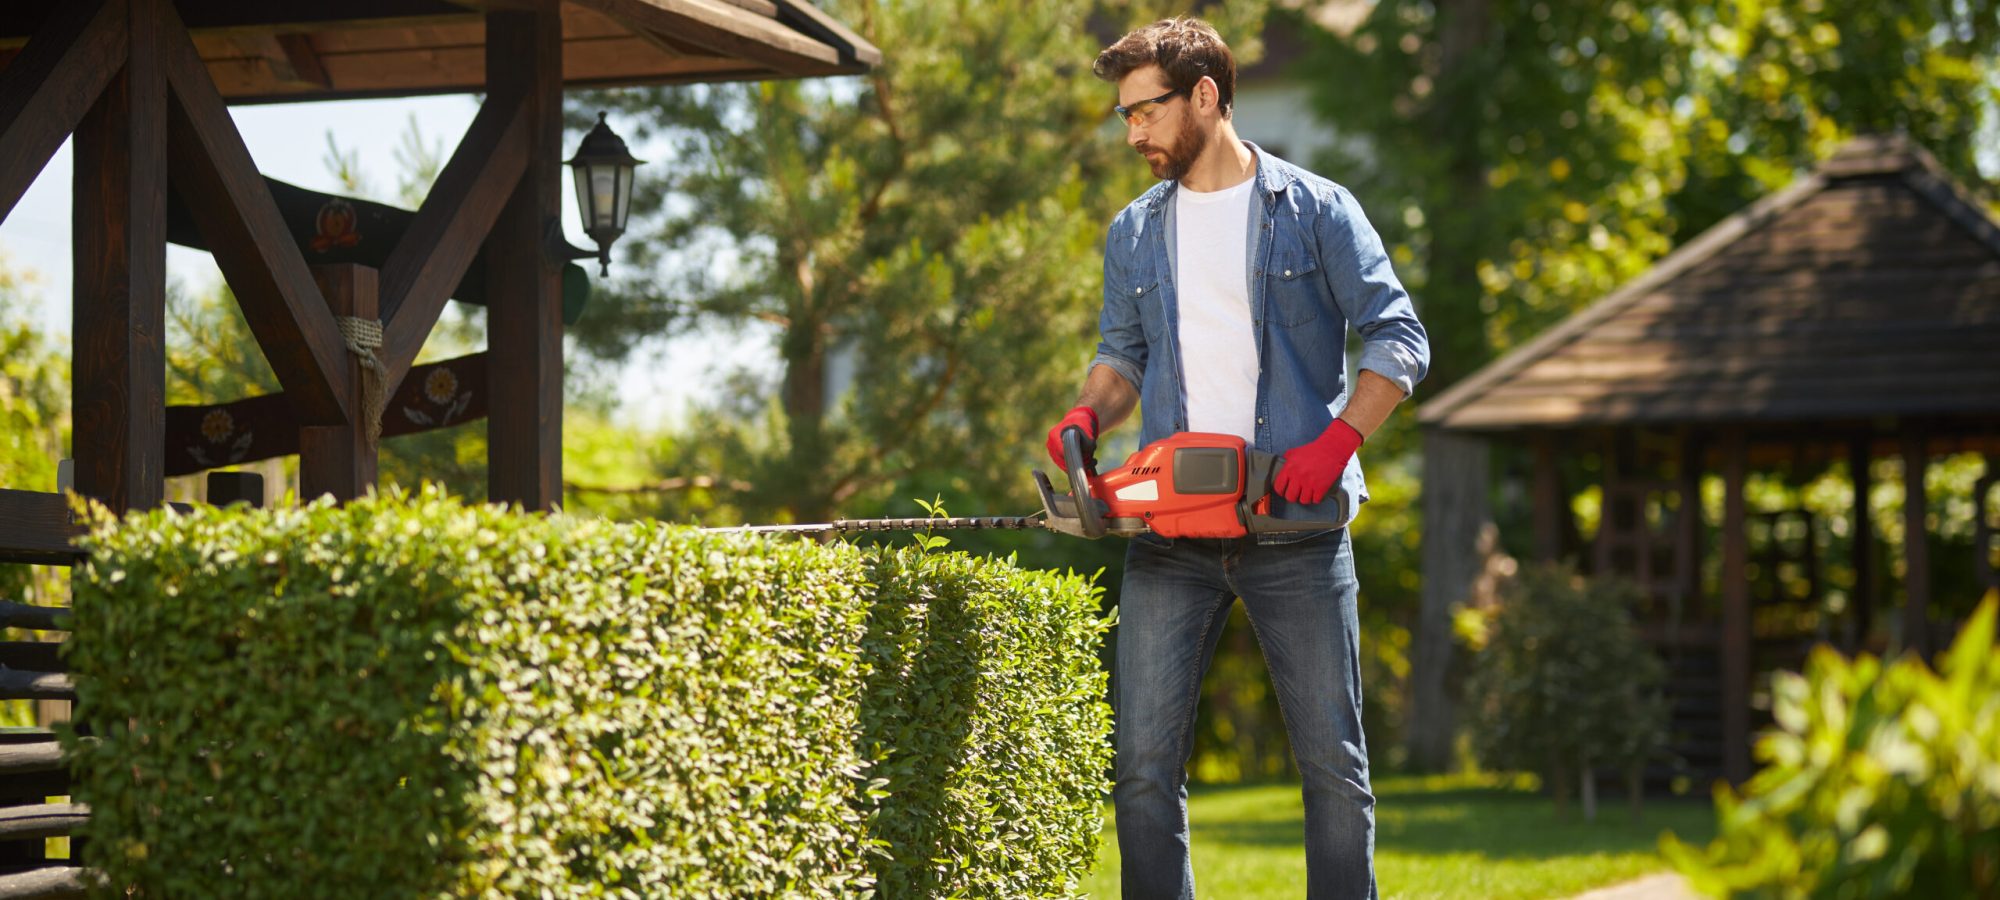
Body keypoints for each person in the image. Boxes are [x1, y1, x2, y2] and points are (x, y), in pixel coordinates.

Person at [1049, 17, 1431, 900]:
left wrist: (1337, 440)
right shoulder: (1134, 232)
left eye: (1144, 113)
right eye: (1124, 118)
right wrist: (1085, 415)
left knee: (1333, 769)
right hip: (1171, 536)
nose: (1134, 134)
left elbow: (1398, 336)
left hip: (1296, 531)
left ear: (1206, 96)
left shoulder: (1318, 209)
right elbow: (1122, 359)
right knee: (1143, 767)